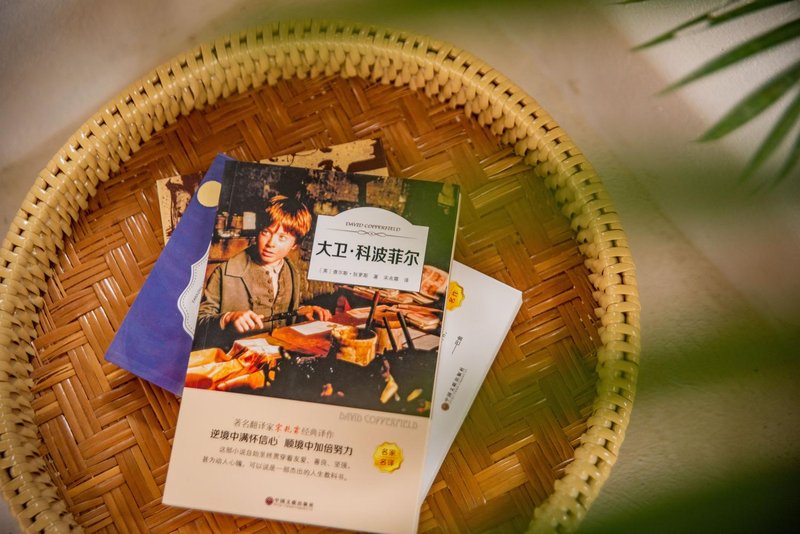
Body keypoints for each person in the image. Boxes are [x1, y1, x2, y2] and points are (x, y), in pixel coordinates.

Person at [194, 195, 331, 351]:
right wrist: (227, 318)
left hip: (279, 355)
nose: (271, 243)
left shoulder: (291, 271)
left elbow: (282, 314)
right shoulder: (225, 272)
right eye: (266, 232)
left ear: (295, 244)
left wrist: (303, 312)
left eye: (282, 238)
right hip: (235, 357)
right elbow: (198, 325)